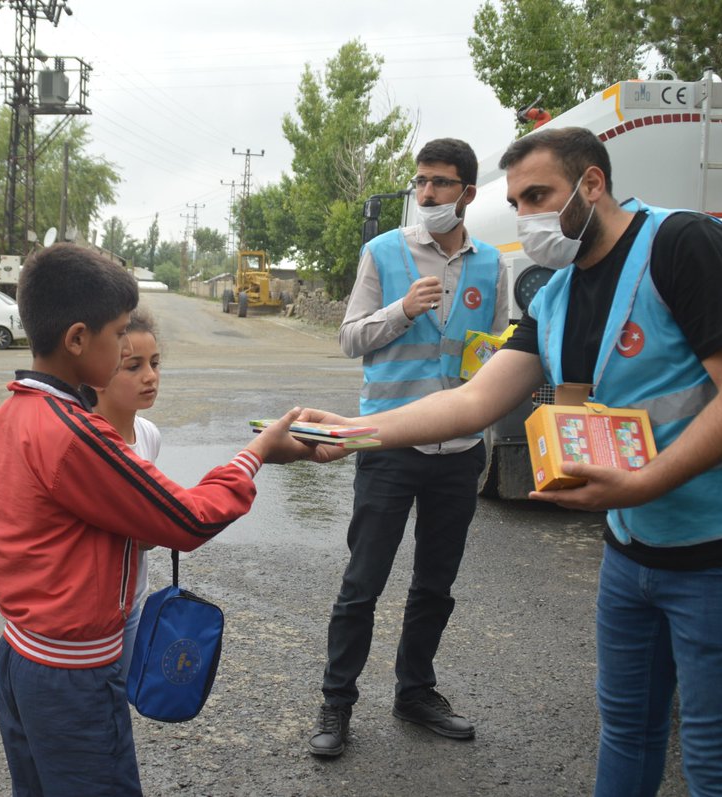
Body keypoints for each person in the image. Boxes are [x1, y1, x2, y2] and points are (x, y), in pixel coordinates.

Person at [300, 126, 722, 795]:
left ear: (592, 184)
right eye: (518, 200)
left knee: (716, 763)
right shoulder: (555, 294)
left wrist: (643, 482)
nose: (528, 216)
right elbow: (474, 400)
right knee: (626, 734)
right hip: (633, 551)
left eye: (539, 195)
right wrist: (357, 430)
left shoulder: (683, 244)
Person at [0, 242, 309, 797]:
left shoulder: (6, 418)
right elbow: (187, 519)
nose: (129, 348)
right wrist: (257, 455)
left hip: (21, 655)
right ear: (79, 339)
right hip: (71, 673)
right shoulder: (74, 435)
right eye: (119, 335)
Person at [307, 137, 508, 757]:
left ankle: (415, 691)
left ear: (467, 193)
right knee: (362, 582)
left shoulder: (488, 263)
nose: (426, 194)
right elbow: (349, 339)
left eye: (440, 184)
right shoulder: (383, 252)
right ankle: (336, 703)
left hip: (459, 450)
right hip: (388, 445)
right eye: (420, 182)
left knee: (435, 584)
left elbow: (493, 348)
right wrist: (401, 308)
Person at [92, 306, 163, 680]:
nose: (150, 377)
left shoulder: (149, 434)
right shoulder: (86, 444)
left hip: (134, 599)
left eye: (154, 363)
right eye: (133, 366)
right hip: (95, 613)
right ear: (100, 372)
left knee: (125, 693)